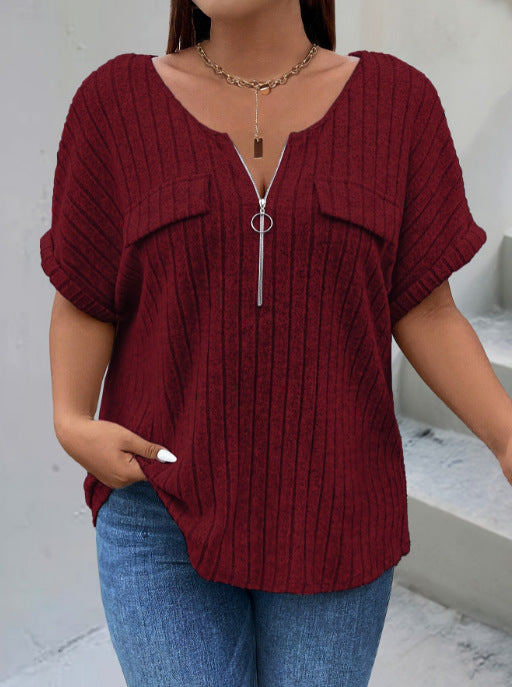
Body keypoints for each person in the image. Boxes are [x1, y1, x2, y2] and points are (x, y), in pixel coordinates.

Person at [40, 1, 512, 685]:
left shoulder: (398, 106)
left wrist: (505, 435)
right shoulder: (114, 106)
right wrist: (70, 420)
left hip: (338, 517)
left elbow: (426, 308)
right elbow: (85, 294)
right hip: (159, 508)